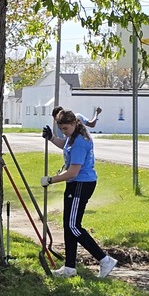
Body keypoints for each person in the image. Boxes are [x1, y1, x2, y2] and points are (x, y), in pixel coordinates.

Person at [39, 109, 117, 278]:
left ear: (74, 124)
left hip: (82, 184)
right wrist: (52, 138)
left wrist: (51, 180)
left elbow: (73, 172)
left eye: (66, 128)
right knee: (68, 226)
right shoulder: (72, 136)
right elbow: (65, 144)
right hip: (74, 184)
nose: (64, 132)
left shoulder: (80, 142)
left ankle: (104, 260)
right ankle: (69, 268)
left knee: (73, 226)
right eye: (62, 129)